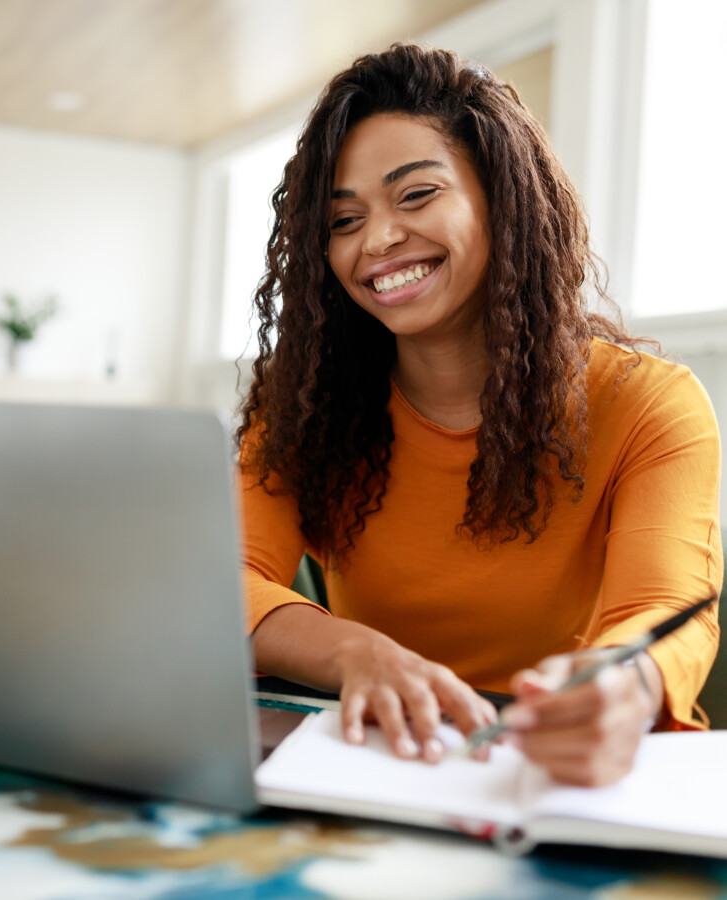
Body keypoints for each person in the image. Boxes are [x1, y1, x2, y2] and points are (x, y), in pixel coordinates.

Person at [237, 43, 722, 787]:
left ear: (503, 196)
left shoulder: (650, 403)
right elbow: (226, 578)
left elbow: (666, 610)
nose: (378, 240)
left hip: (552, 779)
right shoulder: (303, 403)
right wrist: (356, 652)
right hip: (371, 763)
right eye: (343, 220)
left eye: (416, 195)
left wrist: (623, 687)